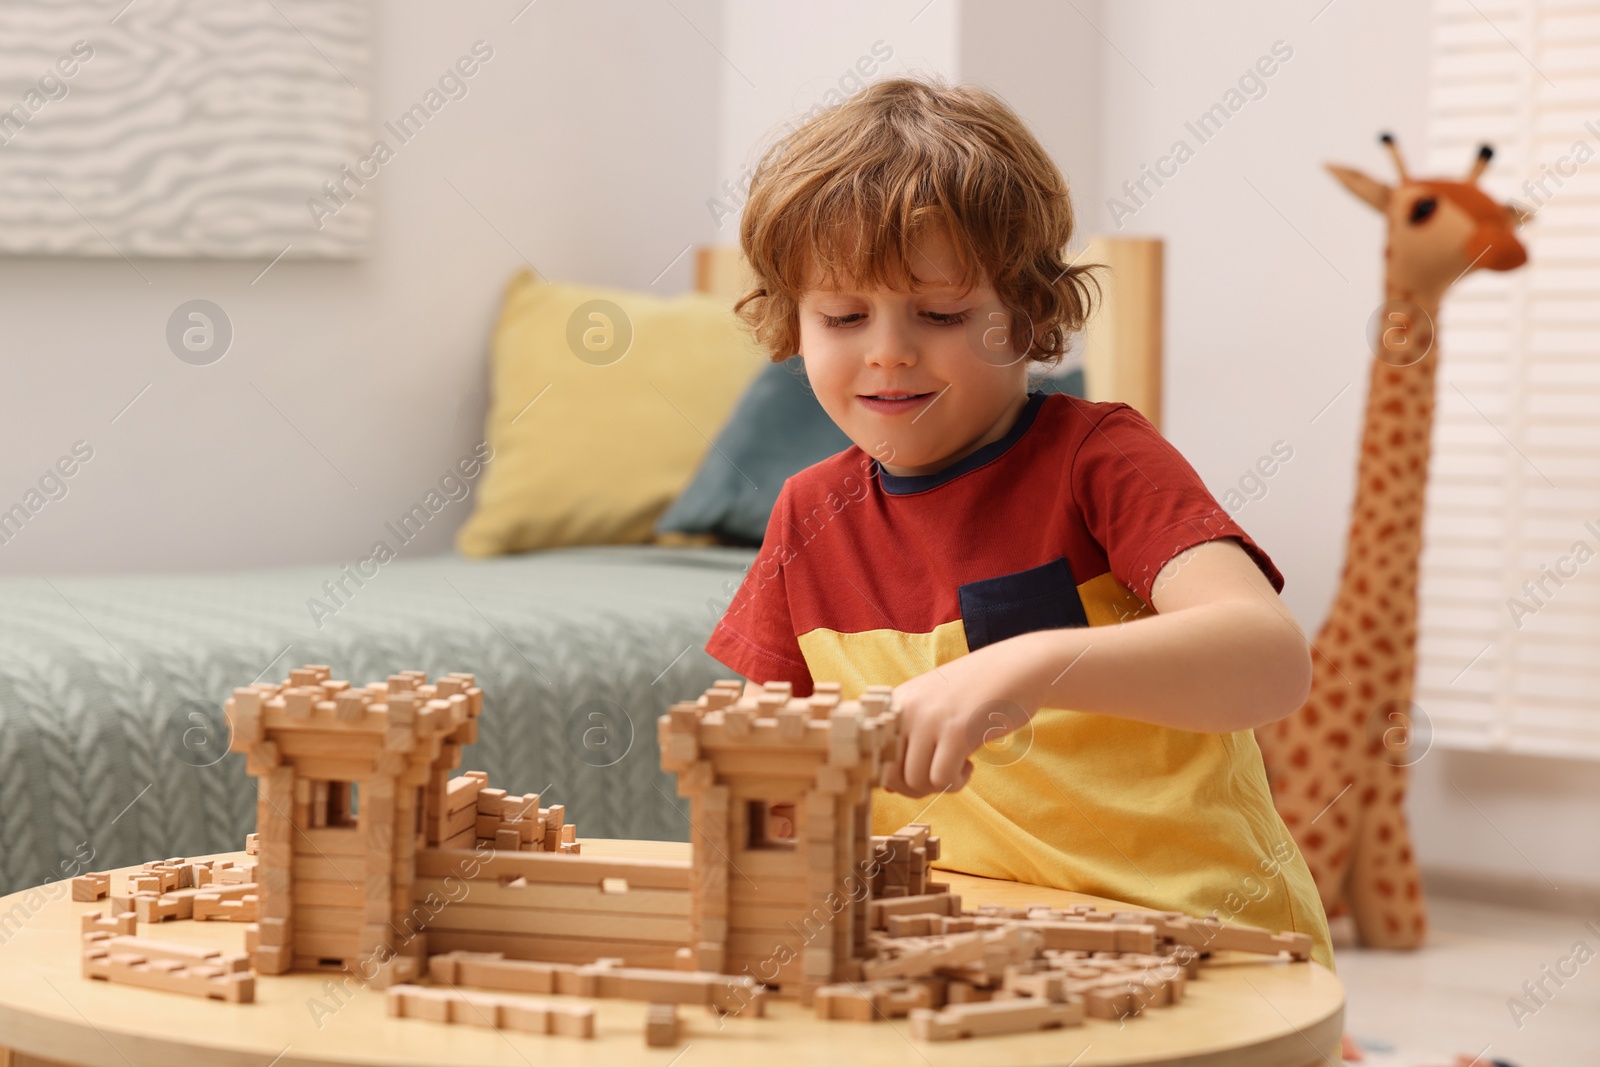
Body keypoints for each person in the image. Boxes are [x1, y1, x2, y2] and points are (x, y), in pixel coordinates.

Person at [703, 74, 1334, 972]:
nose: (887, 348)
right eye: (843, 315)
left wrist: (1030, 663)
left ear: (1028, 315)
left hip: (1198, 936)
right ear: (792, 324)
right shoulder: (808, 511)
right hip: (959, 954)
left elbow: (1267, 660)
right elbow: (772, 769)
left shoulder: (1099, 459)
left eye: (942, 312)